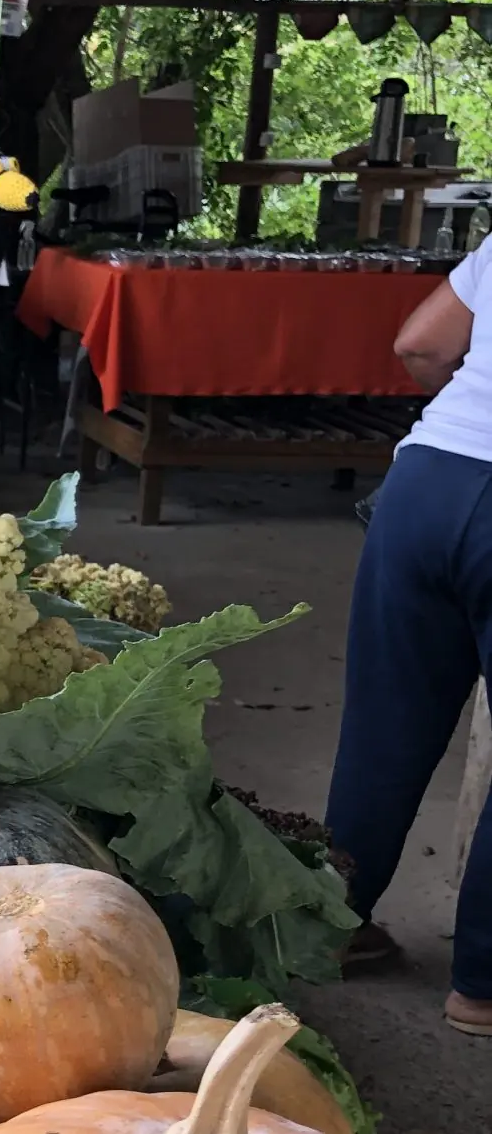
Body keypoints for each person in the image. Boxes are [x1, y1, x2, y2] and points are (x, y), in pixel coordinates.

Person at [324, 235, 492, 1034]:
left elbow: (419, 344)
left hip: (425, 482)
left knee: (384, 726)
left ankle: (326, 924)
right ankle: (482, 985)